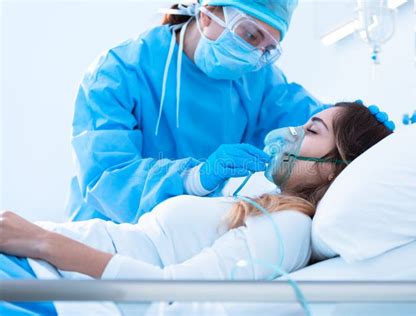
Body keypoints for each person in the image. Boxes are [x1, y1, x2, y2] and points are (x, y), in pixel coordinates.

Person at [1, 102, 394, 314]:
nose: (290, 133)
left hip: (54, 278)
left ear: (336, 170)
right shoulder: (263, 207)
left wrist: (41, 242)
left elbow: (174, 295)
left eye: (311, 131)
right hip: (47, 268)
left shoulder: (290, 227)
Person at [67, 0, 330, 224]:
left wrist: (360, 124)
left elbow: (320, 123)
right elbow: (107, 178)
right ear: (207, 14)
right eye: (250, 35)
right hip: (106, 236)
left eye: (268, 48)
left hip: (187, 236)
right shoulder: (118, 72)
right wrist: (194, 179)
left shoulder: (258, 80)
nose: (254, 55)